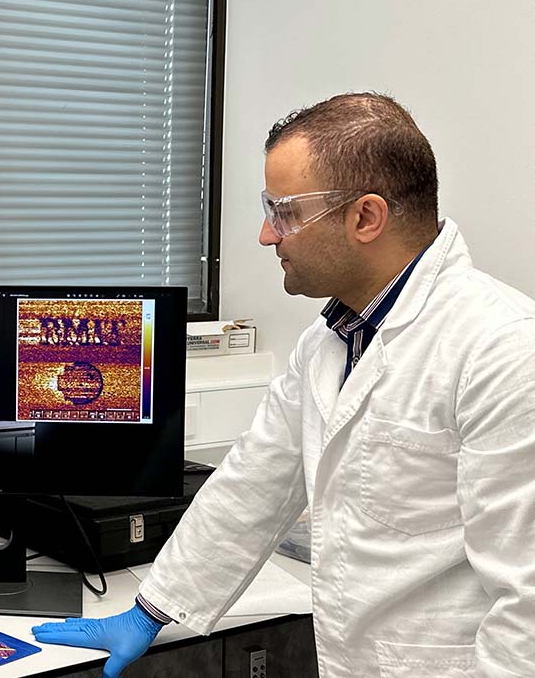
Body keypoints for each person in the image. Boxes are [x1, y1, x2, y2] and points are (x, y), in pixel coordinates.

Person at [32, 93, 535, 677]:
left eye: (286, 212)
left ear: (365, 217)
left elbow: (529, 600)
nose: (267, 234)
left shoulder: (502, 350)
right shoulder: (332, 341)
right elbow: (253, 484)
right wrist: (150, 610)